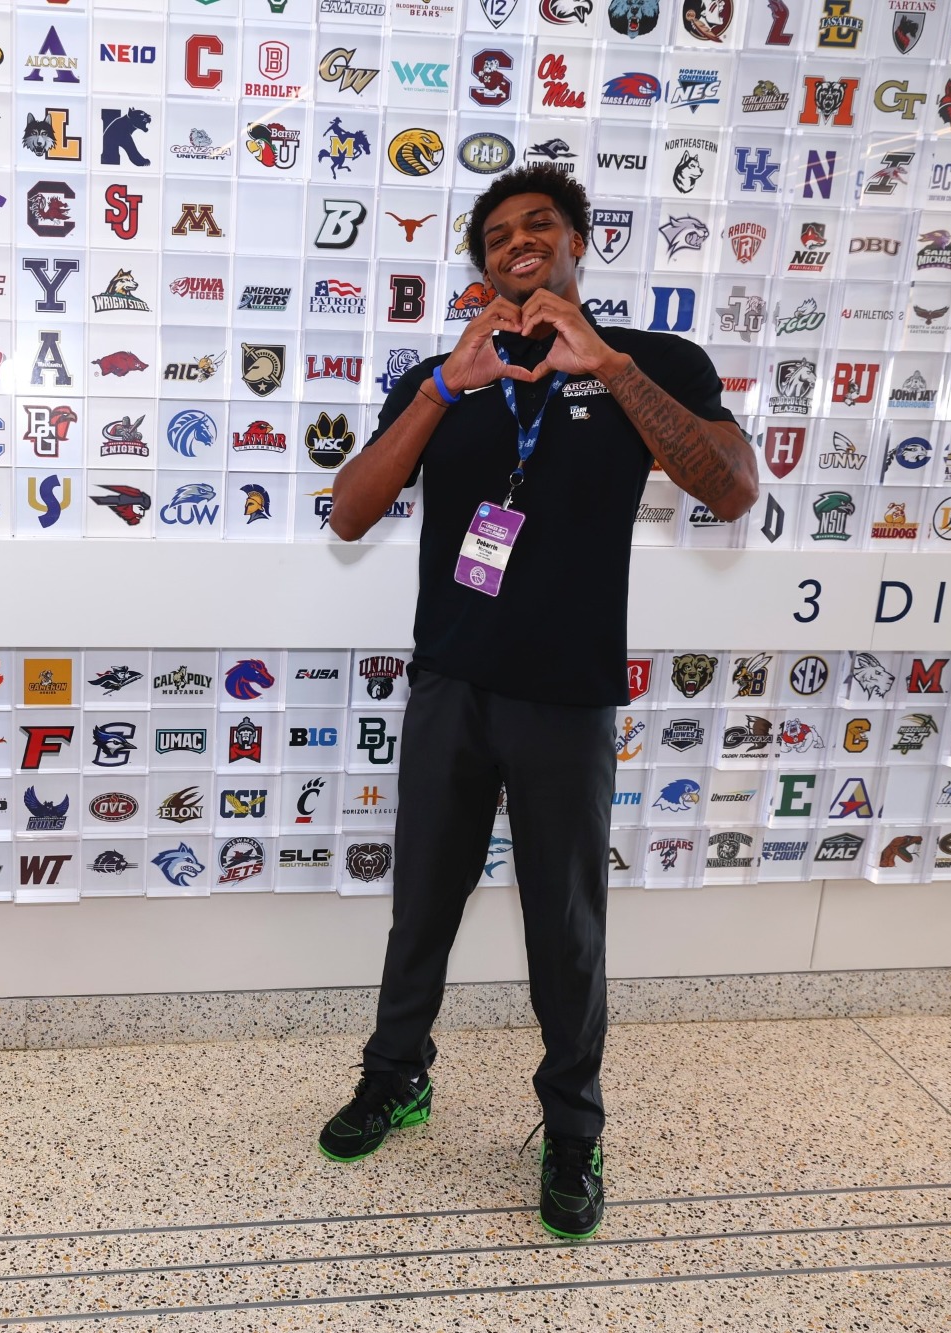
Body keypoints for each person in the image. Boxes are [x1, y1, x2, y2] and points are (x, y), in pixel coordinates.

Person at [316, 166, 759, 1241]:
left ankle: (570, 1128)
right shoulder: (444, 373)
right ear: (479, 262)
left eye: (538, 227)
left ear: (577, 241)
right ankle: (395, 1076)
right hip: (448, 684)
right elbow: (347, 513)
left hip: (563, 698)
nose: (518, 244)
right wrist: (439, 389)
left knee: (563, 931)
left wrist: (603, 365)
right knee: (419, 901)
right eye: (498, 234)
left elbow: (730, 487)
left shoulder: (648, 362)